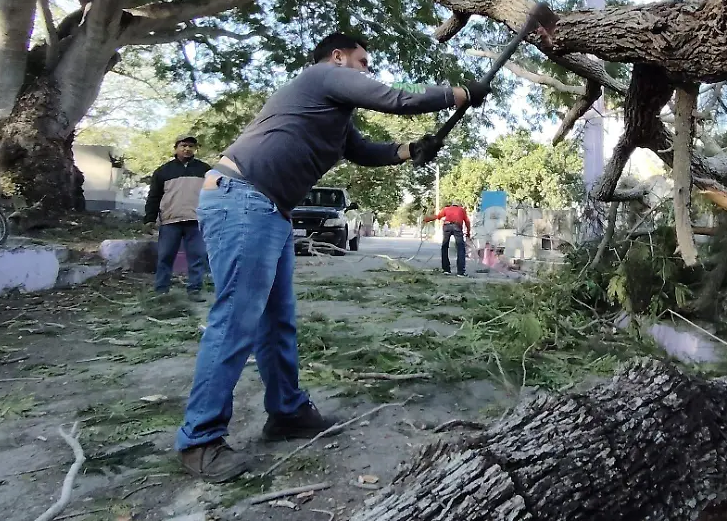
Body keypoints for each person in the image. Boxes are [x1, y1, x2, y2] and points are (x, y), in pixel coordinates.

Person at [175, 32, 489, 482]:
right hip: (242, 198)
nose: (367, 71)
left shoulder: (333, 118)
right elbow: (398, 99)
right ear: (339, 58)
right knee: (237, 319)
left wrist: (410, 151)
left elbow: (363, 153)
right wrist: (459, 93)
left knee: (276, 320)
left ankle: (287, 413)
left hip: (269, 209)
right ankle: (200, 439)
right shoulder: (322, 77)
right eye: (363, 62)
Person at [144, 135, 211, 302]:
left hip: (196, 220)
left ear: (195, 149)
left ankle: (194, 290)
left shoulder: (205, 170)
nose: (187, 149)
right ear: (176, 148)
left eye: (191, 146)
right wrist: (149, 218)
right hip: (170, 221)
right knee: (165, 256)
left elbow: (213, 194)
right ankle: (161, 290)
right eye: (183, 145)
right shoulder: (163, 171)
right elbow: (154, 196)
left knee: (197, 256)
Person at [423, 201, 471, 276]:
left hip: (447, 226)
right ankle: (460, 272)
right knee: (460, 248)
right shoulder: (462, 210)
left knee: (445, 247)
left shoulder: (446, 209)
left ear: (452, 205)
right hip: (457, 227)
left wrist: (427, 219)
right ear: (458, 205)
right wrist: (468, 232)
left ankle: (446, 270)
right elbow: (467, 221)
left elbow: (438, 216)